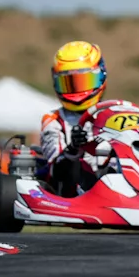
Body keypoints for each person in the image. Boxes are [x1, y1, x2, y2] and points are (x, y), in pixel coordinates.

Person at [41, 40, 109, 197]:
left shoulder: (113, 113)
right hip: (71, 188)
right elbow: (56, 172)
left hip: (113, 179)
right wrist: (73, 148)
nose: (77, 91)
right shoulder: (54, 120)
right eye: (69, 84)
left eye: (84, 81)